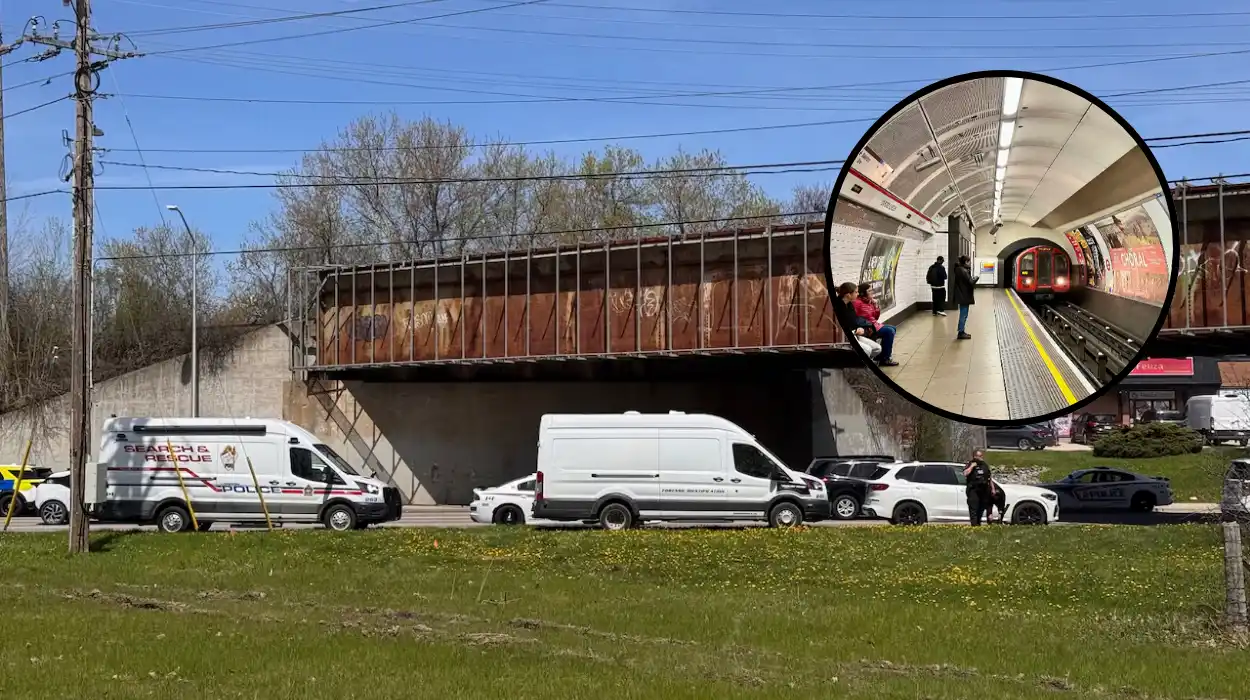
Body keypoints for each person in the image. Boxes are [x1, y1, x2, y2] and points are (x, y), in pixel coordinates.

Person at [851, 283, 899, 367]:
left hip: (873, 325)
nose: (872, 292)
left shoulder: (869, 302)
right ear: (863, 293)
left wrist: (876, 305)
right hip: (866, 327)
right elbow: (854, 317)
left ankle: (882, 356)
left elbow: (875, 317)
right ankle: (885, 359)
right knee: (889, 331)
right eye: (869, 291)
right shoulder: (857, 303)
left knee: (893, 328)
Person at [833, 282, 883, 360]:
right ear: (848, 295)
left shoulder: (849, 304)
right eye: (856, 292)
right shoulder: (838, 307)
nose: (858, 294)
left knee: (877, 348)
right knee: (867, 350)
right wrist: (855, 330)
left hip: (855, 334)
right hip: (844, 338)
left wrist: (859, 328)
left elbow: (854, 320)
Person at [962, 449, 996, 526]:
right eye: (979, 456)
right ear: (975, 456)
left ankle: (978, 523)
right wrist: (972, 467)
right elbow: (965, 473)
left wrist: (993, 488)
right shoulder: (970, 464)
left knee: (981, 508)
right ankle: (974, 525)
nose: (981, 458)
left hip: (983, 490)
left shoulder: (984, 465)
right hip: (973, 490)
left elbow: (989, 477)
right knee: (974, 508)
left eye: (981, 456)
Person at [951, 255, 976, 341]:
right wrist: (976, 278)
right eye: (969, 261)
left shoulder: (959, 269)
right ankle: (961, 332)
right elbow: (971, 282)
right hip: (964, 295)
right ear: (965, 262)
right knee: (963, 314)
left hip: (962, 294)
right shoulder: (963, 270)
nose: (970, 263)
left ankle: (961, 331)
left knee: (963, 314)